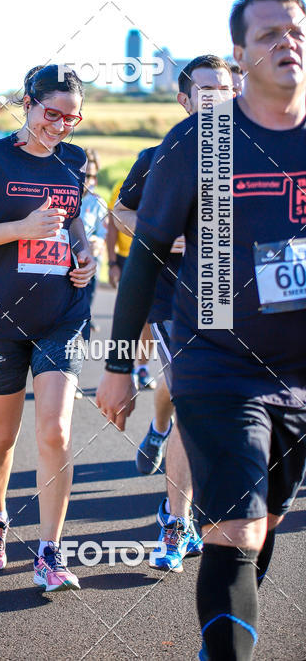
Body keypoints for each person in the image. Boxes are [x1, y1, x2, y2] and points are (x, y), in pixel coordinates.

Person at [97, 0, 306, 661]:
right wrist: (119, 365)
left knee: (264, 526)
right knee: (236, 533)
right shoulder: (201, 141)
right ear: (242, 55)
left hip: (300, 371)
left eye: (296, 31)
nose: (287, 42)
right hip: (217, 362)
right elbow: (146, 255)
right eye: (269, 34)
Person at [0, 64, 96, 592]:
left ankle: (51, 552)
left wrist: (84, 252)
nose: (58, 126)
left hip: (62, 314)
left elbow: (73, 218)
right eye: (50, 113)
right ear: (25, 102)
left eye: (71, 119)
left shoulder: (74, 160)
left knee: (55, 431)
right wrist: (21, 228)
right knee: (2, 436)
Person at [113, 55, 233, 572]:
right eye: (205, 89)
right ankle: (174, 521)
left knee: (207, 403)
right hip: (169, 296)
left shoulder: (247, 157)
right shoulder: (158, 154)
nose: (216, 97)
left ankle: (165, 444)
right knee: (185, 393)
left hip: (224, 294)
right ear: (183, 100)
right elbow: (118, 211)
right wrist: (160, 233)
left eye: (225, 88)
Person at [108, 178, 154, 389]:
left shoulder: (168, 175)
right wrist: (112, 263)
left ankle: (141, 367)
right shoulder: (125, 183)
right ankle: (120, 369)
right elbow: (112, 225)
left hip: (155, 256)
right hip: (127, 257)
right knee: (130, 316)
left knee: (150, 320)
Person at [79, 149, 107, 322]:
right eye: (83, 174)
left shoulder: (98, 203)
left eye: (90, 176)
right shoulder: (61, 196)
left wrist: (98, 242)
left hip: (87, 263)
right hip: (60, 262)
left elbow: (103, 234)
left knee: (83, 311)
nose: (86, 180)